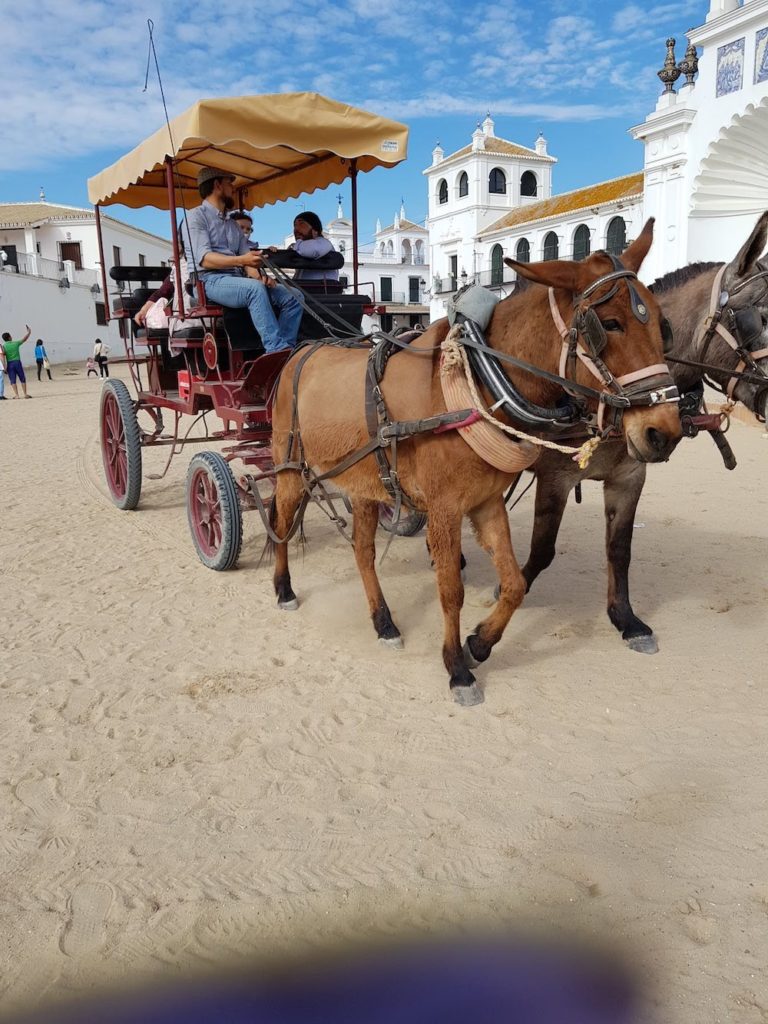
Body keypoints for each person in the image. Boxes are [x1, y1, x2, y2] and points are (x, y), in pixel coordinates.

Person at [183, 167, 302, 353]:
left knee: (294, 296)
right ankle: (276, 350)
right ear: (217, 185)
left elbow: (249, 263)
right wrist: (243, 262)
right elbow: (205, 259)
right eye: (229, 183)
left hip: (236, 279)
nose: (232, 188)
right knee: (254, 289)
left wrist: (260, 277)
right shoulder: (195, 217)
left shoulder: (232, 225)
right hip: (208, 281)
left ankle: (287, 349)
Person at [289, 212, 339, 284]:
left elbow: (312, 250)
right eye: (295, 225)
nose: (296, 229)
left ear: (315, 230)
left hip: (319, 293)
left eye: (301, 224)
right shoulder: (300, 247)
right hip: (304, 292)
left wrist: (295, 245)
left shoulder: (324, 243)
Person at [1, 325, 31, 398]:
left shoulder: (3, 346)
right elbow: (24, 339)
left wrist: (4, 367)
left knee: (12, 379)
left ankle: (17, 395)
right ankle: (25, 394)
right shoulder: (15, 343)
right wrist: (29, 332)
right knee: (22, 378)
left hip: (10, 364)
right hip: (17, 362)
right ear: (9, 337)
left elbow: (3, 356)